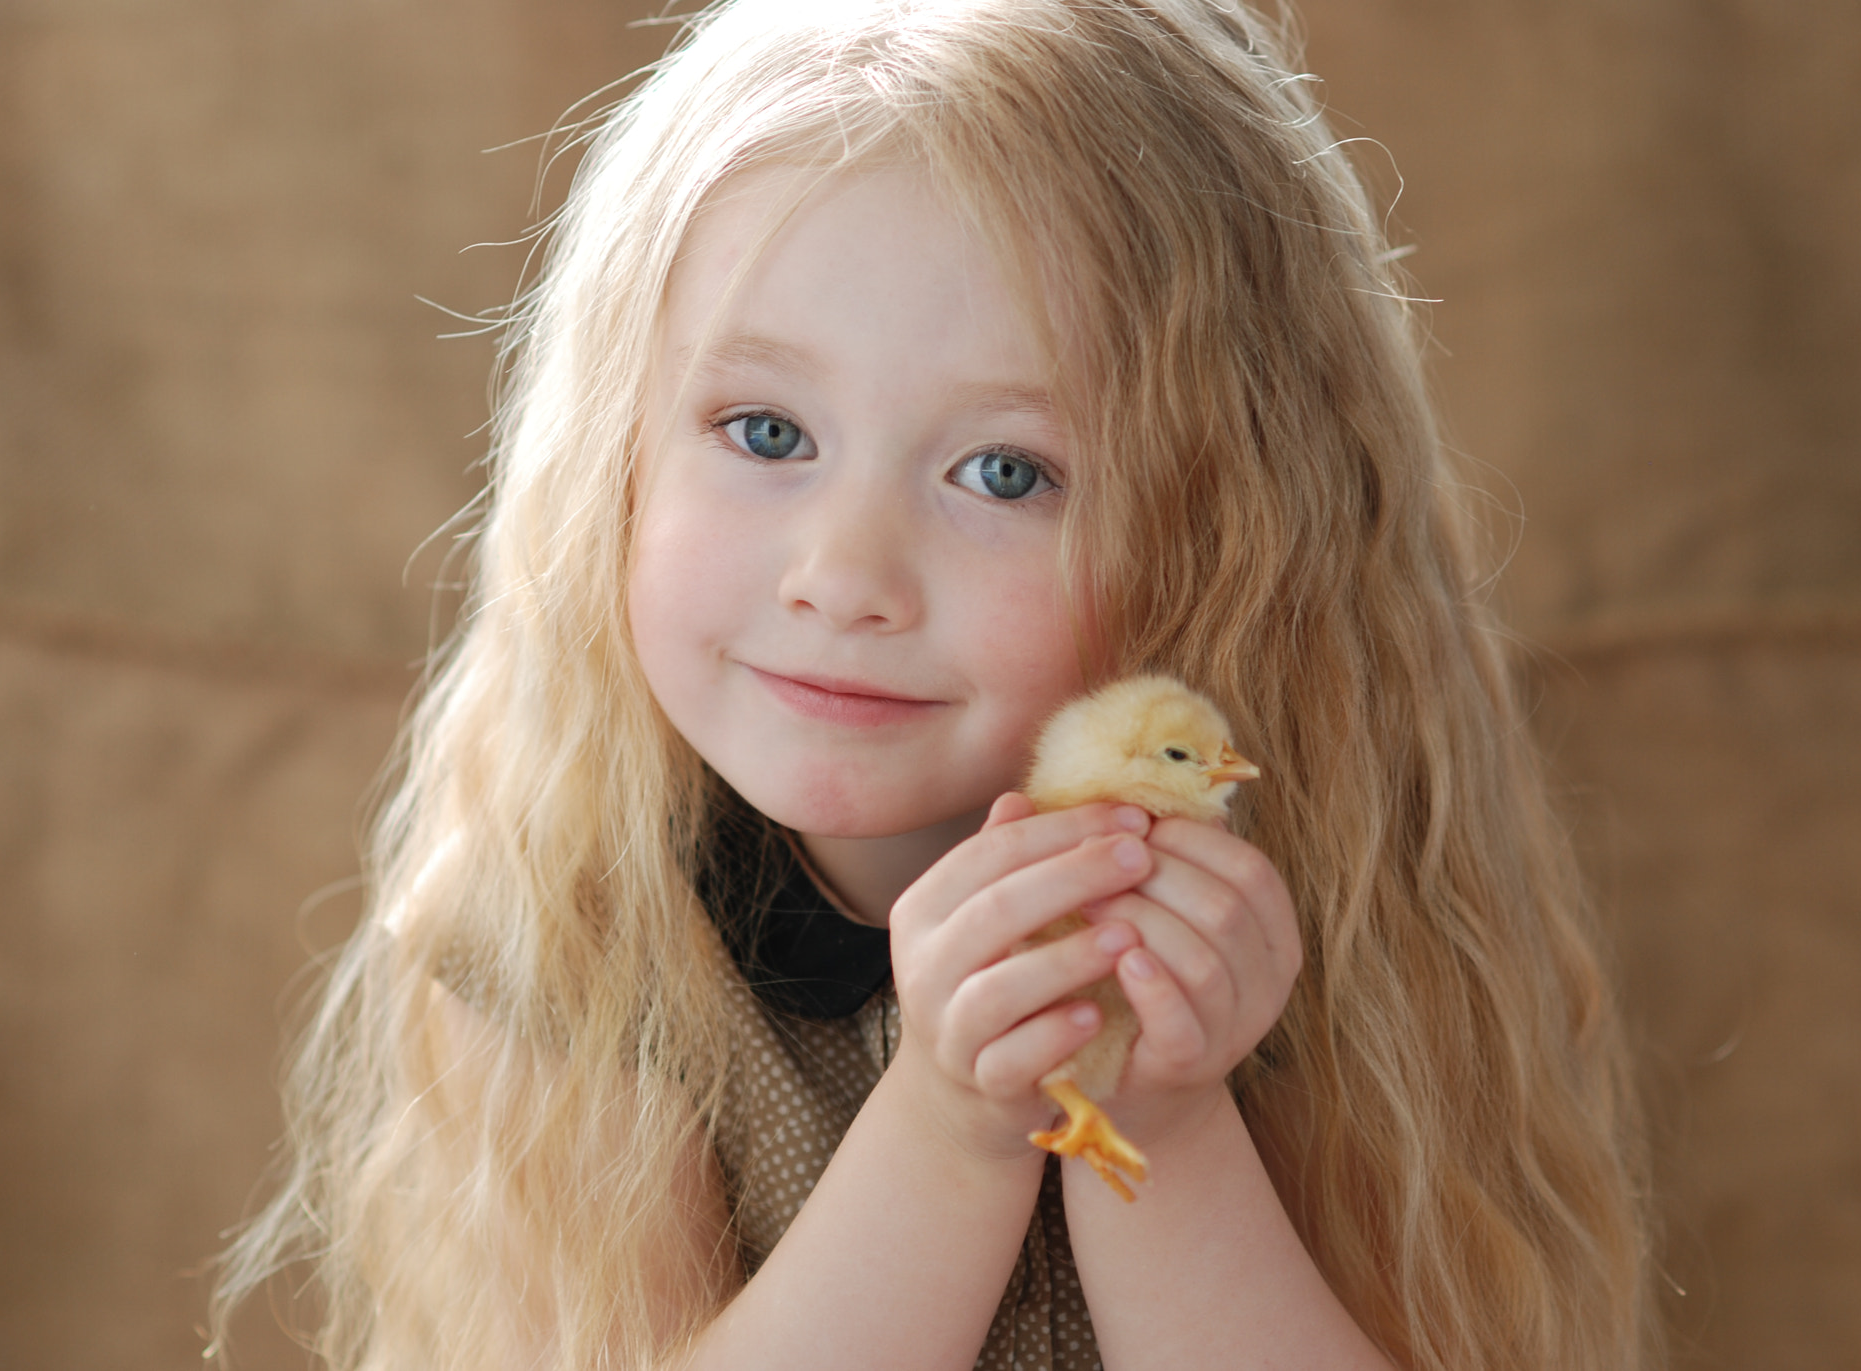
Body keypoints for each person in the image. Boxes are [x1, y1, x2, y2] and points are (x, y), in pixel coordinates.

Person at [213, 2, 1656, 1367]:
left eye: (1004, 472)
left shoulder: (1305, 916)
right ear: (616, 462)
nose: (845, 576)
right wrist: (956, 1125)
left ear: (1228, 540)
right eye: (767, 432)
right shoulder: (559, 940)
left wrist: (1155, 1109)